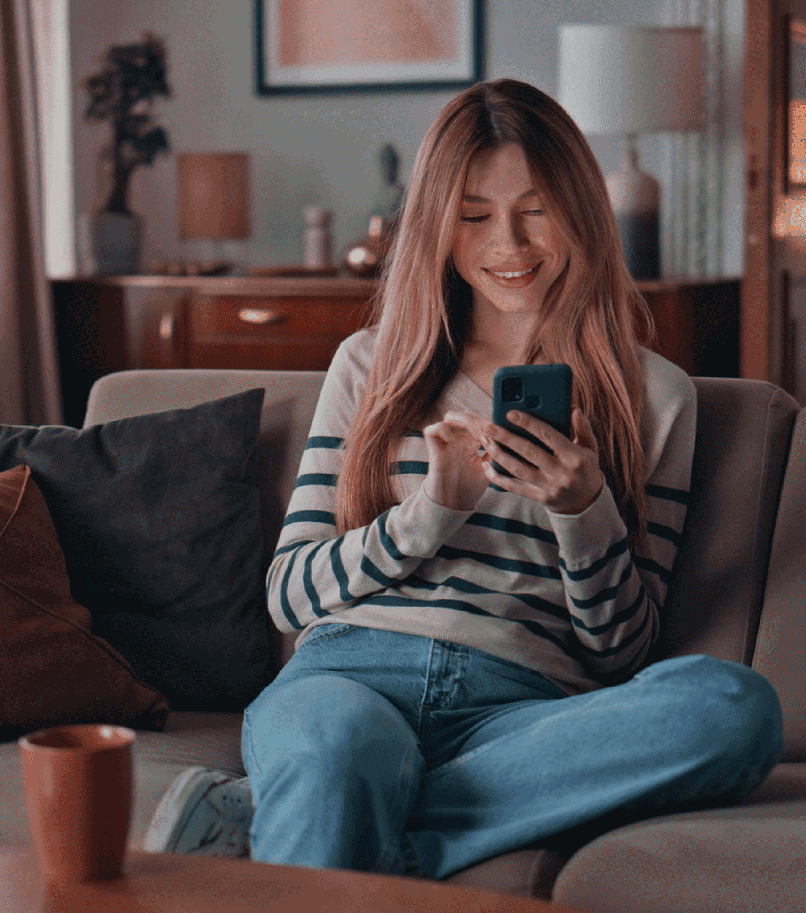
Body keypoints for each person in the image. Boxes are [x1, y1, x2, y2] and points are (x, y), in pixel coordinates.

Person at [143, 79, 783, 879]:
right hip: (349, 679)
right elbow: (288, 594)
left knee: (732, 709)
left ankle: (295, 817)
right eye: (475, 216)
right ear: (438, 228)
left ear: (581, 207)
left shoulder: (654, 398)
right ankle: (332, 796)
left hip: (521, 710)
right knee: (340, 745)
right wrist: (426, 515)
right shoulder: (370, 366)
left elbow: (622, 653)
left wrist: (584, 511)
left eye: (536, 208)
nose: (508, 244)